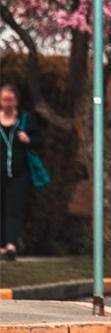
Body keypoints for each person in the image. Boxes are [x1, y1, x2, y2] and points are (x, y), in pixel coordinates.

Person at [0, 84, 41, 261]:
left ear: (16, 101)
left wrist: (28, 139)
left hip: (19, 173)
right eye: (4, 99)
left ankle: (11, 244)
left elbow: (40, 141)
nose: (7, 103)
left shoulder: (25, 121)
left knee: (14, 208)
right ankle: (2, 245)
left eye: (10, 100)